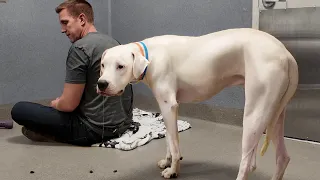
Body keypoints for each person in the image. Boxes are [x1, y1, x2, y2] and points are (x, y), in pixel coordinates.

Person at [10, 0, 134, 146]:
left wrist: (56, 104)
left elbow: (69, 105)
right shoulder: (114, 42)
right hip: (124, 123)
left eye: (65, 22)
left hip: (95, 130)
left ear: (81, 19)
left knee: (19, 109)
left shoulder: (80, 48)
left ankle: (51, 133)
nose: (63, 29)